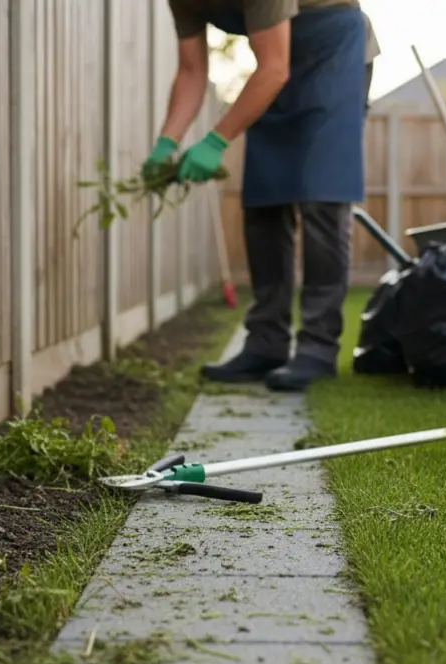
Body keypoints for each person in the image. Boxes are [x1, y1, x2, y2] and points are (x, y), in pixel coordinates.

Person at [144, 1, 380, 392]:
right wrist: (165, 142)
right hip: (274, 58)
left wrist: (215, 141)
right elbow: (191, 70)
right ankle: (266, 343)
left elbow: (274, 68)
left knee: (323, 195)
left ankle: (318, 349)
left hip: (333, 49)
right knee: (264, 196)